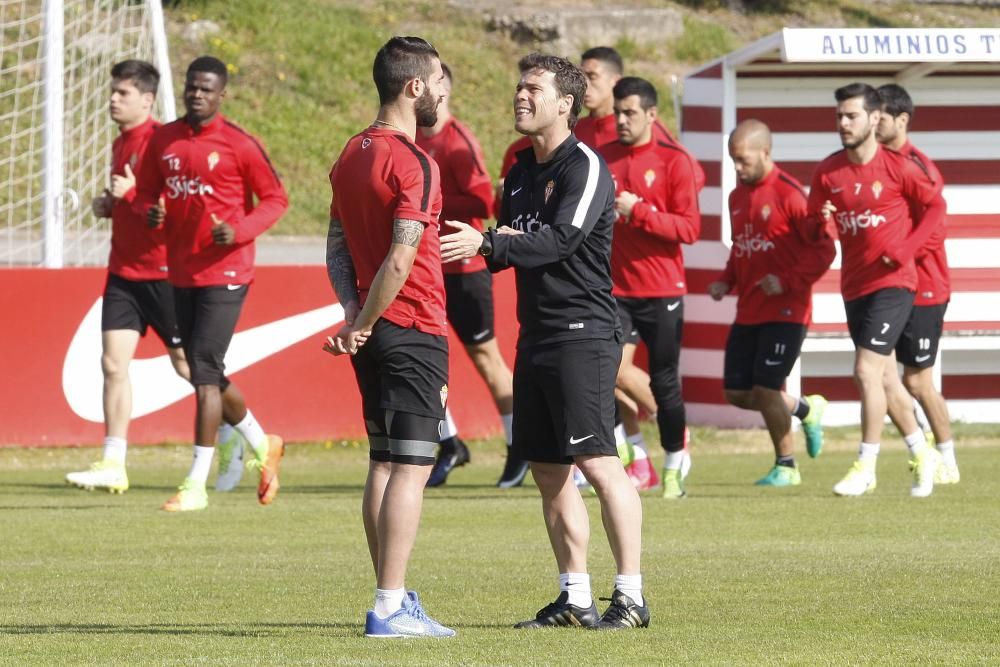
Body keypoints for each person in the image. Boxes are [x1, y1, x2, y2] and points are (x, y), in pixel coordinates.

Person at [441, 53, 648, 630]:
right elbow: (514, 248)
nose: (521, 96)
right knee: (550, 472)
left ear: (566, 103)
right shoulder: (519, 172)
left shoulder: (584, 165)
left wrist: (488, 244)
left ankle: (630, 596)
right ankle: (575, 597)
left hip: (584, 334)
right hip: (536, 336)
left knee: (600, 463)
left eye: (535, 88)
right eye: (519, 86)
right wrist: (492, 243)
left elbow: (559, 241)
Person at [325, 36, 455, 638]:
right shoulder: (413, 161)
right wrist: (369, 319)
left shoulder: (351, 153)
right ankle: (390, 604)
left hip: (375, 330)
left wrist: (354, 314)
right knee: (411, 467)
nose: (440, 93)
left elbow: (336, 247)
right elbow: (402, 258)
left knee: (382, 462)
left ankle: (391, 596)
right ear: (413, 87)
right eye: (436, 82)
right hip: (412, 326)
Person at [135, 56, 287, 511]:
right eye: (191, 87)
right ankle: (263, 443)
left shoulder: (239, 143)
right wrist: (151, 211)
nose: (197, 94)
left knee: (201, 371)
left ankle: (195, 485)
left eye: (206, 89)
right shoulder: (164, 140)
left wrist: (238, 230)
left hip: (227, 271)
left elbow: (276, 199)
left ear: (222, 95)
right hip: (180, 271)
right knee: (206, 371)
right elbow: (145, 193)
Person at [808, 82, 946, 498]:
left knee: (865, 371)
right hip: (855, 285)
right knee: (886, 380)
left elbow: (936, 208)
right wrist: (821, 219)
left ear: (874, 118)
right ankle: (923, 453)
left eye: (851, 115)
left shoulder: (899, 167)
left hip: (896, 285)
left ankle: (865, 465)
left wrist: (905, 249)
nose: (843, 123)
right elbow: (815, 229)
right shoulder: (828, 171)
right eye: (839, 116)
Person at [415, 63, 526, 489]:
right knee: (417, 354)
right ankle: (449, 442)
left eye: (433, 82)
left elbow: (484, 199)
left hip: (464, 268)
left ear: (444, 90)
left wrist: (430, 192)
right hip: (422, 267)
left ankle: (519, 447)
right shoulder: (409, 138)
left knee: (486, 359)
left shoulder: (458, 141)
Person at [708, 119, 835, 486]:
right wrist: (725, 281)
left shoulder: (792, 194)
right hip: (748, 309)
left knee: (766, 388)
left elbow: (824, 248)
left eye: (743, 160)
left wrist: (787, 282)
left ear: (766, 153)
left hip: (787, 310)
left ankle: (786, 466)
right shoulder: (736, 197)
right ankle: (807, 409)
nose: (737, 167)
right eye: (733, 160)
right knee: (736, 392)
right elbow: (741, 251)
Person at [599, 77, 700, 499]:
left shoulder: (675, 161)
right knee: (605, 372)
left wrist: (639, 211)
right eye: (618, 112)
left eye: (630, 113)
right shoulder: (601, 158)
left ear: (652, 115)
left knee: (664, 382)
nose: (621, 120)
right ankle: (633, 455)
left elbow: (690, 229)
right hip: (616, 289)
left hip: (662, 290)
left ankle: (676, 459)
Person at [875, 84, 960, 485]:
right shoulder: (871, 165)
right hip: (886, 286)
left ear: (902, 120)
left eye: (882, 118)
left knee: (916, 380)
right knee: (878, 374)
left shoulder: (919, 166)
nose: (874, 125)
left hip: (925, 285)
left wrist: (900, 251)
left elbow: (935, 229)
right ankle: (920, 449)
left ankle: (947, 459)